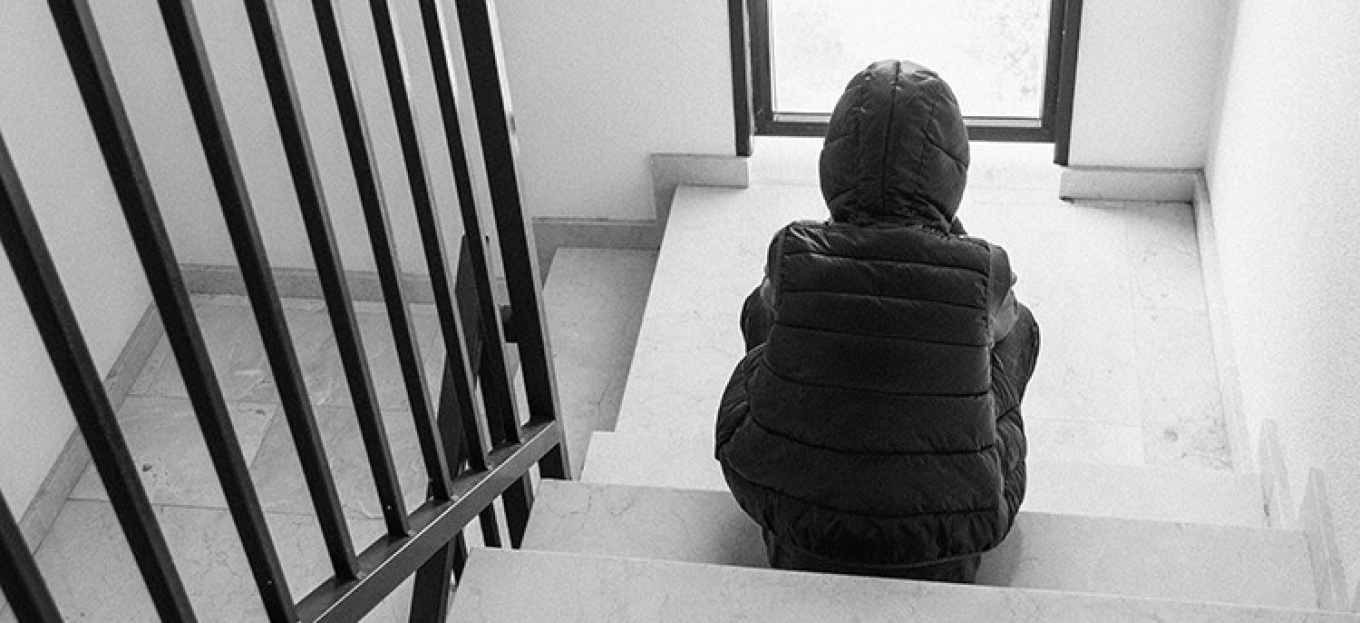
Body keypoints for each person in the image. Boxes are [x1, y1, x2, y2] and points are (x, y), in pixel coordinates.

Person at [715, 59, 1040, 583]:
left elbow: (780, 308)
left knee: (766, 308)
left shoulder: (794, 247)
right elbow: (1002, 325)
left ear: (835, 161)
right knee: (1019, 328)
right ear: (953, 168)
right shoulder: (984, 265)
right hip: (950, 540)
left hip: (798, 529)